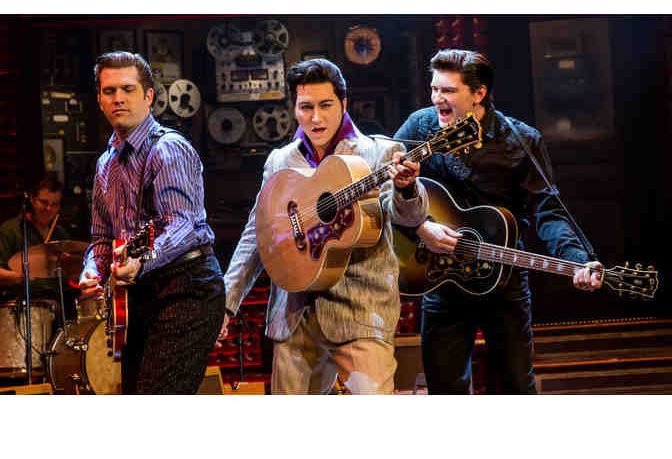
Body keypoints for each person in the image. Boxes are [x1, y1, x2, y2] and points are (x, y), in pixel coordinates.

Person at [394, 49, 603, 394]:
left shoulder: (521, 140)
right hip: (442, 278)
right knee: (444, 390)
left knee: (516, 388)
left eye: (448, 91)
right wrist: (420, 226)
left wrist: (577, 259)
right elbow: (387, 187)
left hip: (504, 280)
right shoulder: (420, 126)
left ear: (479, 93)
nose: (437, 99)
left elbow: (547, 210)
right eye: (434, 89)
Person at [220, 58, 428, 394]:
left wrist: (406, 188)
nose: (315, 117)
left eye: (326, 105)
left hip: (360, 311)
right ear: (294, 108)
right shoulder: (280, 161)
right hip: (293, 315)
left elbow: (409, 218)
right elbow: (256, 235)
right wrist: (226, 303)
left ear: (344, 103)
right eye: (306, 107)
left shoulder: (382, 153)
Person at [78, 51, 226, 394]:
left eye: (127, 89)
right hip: (140, 295)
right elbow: (101, 238)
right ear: (99, 99)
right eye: (109, 91)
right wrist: (92, 270)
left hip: (186, 288)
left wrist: (141, 259)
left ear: (148, 96)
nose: (118, 98)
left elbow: (181, 224)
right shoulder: (105, 165)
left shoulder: (167, 149)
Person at [0, 174, 69, 292]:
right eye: (44, 202)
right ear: (32, 199)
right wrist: (22, 277)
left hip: (57, 299)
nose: (48, 209)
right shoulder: (10, 230)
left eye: (54, 204)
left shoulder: (61, 234)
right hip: (21, 299)